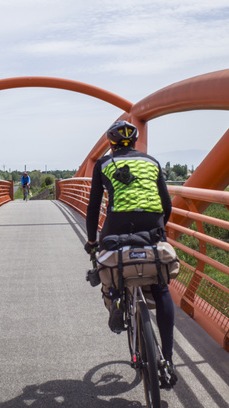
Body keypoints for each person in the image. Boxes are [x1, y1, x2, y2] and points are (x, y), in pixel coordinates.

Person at [83, 120, 177, 387]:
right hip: (152, 225)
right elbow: (166, 203)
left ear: (111, 144)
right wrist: (159, 228)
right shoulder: (152, 162)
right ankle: (168, 360)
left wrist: (92, 241)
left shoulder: (103, 164)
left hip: (117, 225)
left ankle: (114, 301)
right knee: (161, 287)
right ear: (136, 143)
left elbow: (93, 208)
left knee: (109, 265)